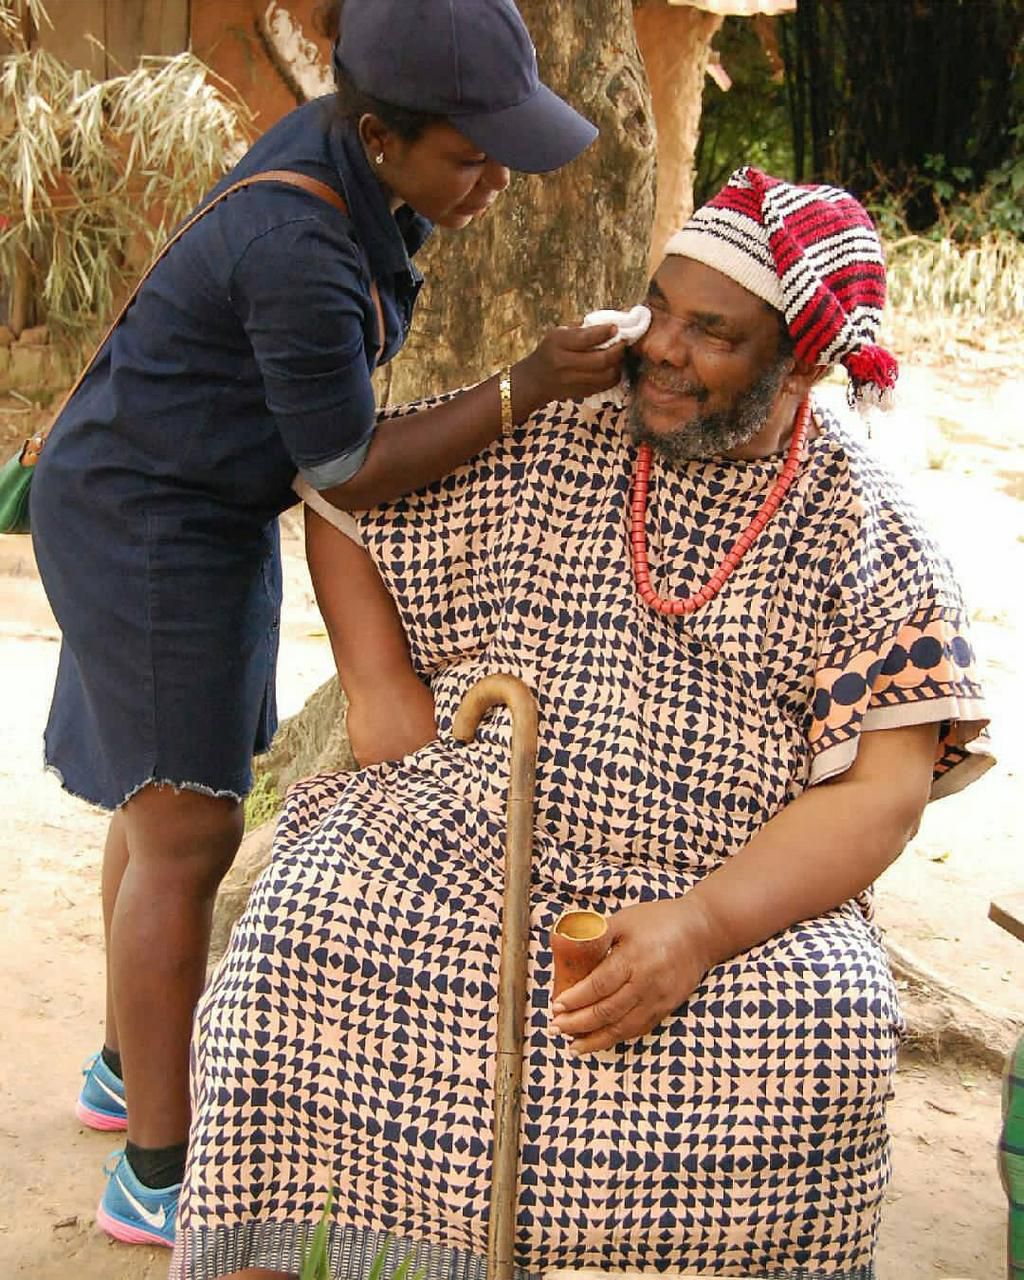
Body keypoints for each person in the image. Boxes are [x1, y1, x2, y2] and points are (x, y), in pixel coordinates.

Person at [170, 167, 991, 1280]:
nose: (659, 345)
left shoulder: (866, 525)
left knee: (829, 1029)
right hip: (471, 830)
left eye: (713, 333)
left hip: (719, 882)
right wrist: (382, 694)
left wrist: (698, 927)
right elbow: (342, 493)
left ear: (800, 360)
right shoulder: (565, 429)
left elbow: (882, 792)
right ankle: (287, 1254)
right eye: (660, 305)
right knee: (298, 930)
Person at [29, 0, 623, 1249]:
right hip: (147, 514)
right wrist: (525, 385)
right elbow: (348, 462)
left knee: (166, 800)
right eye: (469, 156)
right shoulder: (299, 238)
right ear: (379, 135)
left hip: (179, 490)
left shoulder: (353, 169)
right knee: (187, 826)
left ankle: (121, 1061)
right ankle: (156, 1169)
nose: (494, 181)